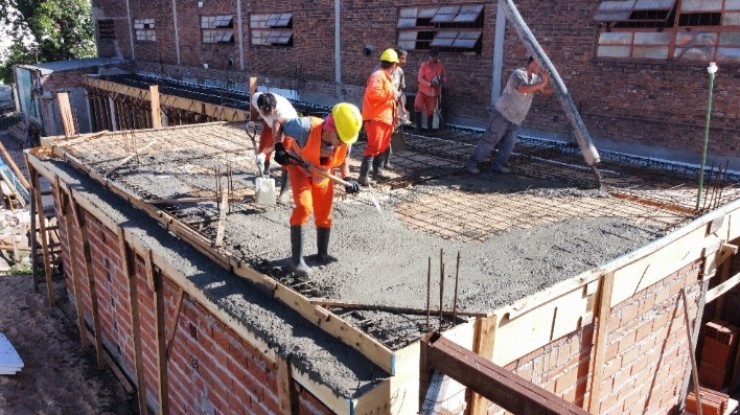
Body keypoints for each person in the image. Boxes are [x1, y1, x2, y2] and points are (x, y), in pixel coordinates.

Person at [271, 103, 362, 276]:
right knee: (304, 207)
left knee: (324, 214)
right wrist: (279, 147)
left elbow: (344, 158)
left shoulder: (345, 139)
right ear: (331, 130)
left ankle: (322, 254)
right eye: (341, 139)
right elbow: (278, 121)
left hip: (323, 174)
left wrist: (347, 178)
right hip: (300, 169)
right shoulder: (305, 128)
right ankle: (297, 262)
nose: (344, 143)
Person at [467, 56, 553, 175]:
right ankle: (473, 163)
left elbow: (545, 91)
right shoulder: (518, 74)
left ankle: (498, 165)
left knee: (508, 146)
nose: (540, 68)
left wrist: (548, 82)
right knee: (490, 140)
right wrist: (543, 82)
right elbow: (523, 89)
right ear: (532, 63)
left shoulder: (535, 78)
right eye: (539, 64)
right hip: (502, 114)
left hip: (516, 119)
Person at [359, 48, 400, 186]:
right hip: (376, 118)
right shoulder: (378, 76)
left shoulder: (387, 77)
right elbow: (373, 94)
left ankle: (378, 172)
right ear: (394, 65)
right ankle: (363, 177)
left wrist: (395, 118)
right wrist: (391, 94)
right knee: (373, 147)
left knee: (382, 146)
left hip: (385, 118)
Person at [251, 91, 298, 203]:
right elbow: (255, 109)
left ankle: (284, 191)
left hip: (288, 130)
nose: (265, 115)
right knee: (263, 146)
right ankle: (265, 174)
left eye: (268, 113)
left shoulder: (284, 113)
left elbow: (278, 143)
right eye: (263, 113)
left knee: (285, 158)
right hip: (270, 124)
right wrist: (251, 121)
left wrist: (263, 154)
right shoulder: (257, 98)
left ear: (274, 108)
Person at [414, 47, 447, 130]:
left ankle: (429, 129)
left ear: (437, 56)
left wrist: (441, 81)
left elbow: (445, 78)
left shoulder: (441, 66)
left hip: (434, 92)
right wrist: (429, 84)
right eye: (431, 56)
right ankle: (418, 128)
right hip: (422, 91)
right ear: (429, 56)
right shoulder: (424, 65)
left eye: (434, 56)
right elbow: (420, 79)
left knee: (430, 111)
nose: (433, 58)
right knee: (418, 106)